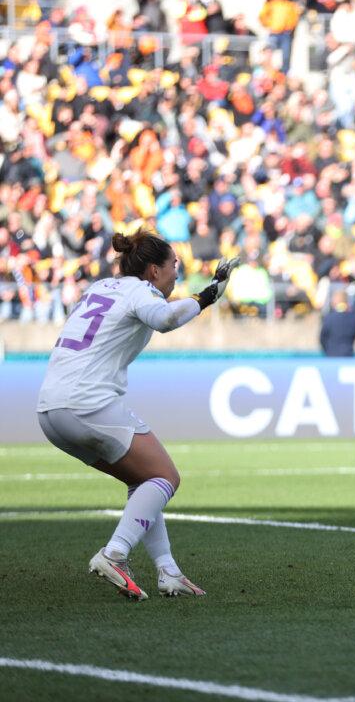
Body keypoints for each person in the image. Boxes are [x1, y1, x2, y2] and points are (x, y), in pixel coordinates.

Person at [37, 231, 237, 600]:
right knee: (165, 477)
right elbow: (165, 319)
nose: (176, 274)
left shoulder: (101, 288)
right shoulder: (138, 291)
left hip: (50, 408)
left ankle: (168, 571)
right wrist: (209, 294)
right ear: (153, 269)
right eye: (173, 266)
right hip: (86, 402)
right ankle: (114, 554)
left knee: (143, 481)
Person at [319, 288, 355, 357]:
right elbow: (354, 335)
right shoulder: (353, 318)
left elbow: (323, 337)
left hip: (331, 355)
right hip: (348, 354)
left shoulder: (329, 317)